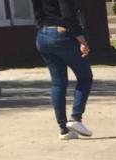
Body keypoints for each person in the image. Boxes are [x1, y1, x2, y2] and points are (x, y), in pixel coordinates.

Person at [32, 0, 94, 141]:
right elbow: (68, 15)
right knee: (85, 77)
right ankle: (76, 118)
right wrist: (81, 39)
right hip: (62, 34)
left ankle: (63, 130)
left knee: (58, 83)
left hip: (42, 35)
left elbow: (37, 13)